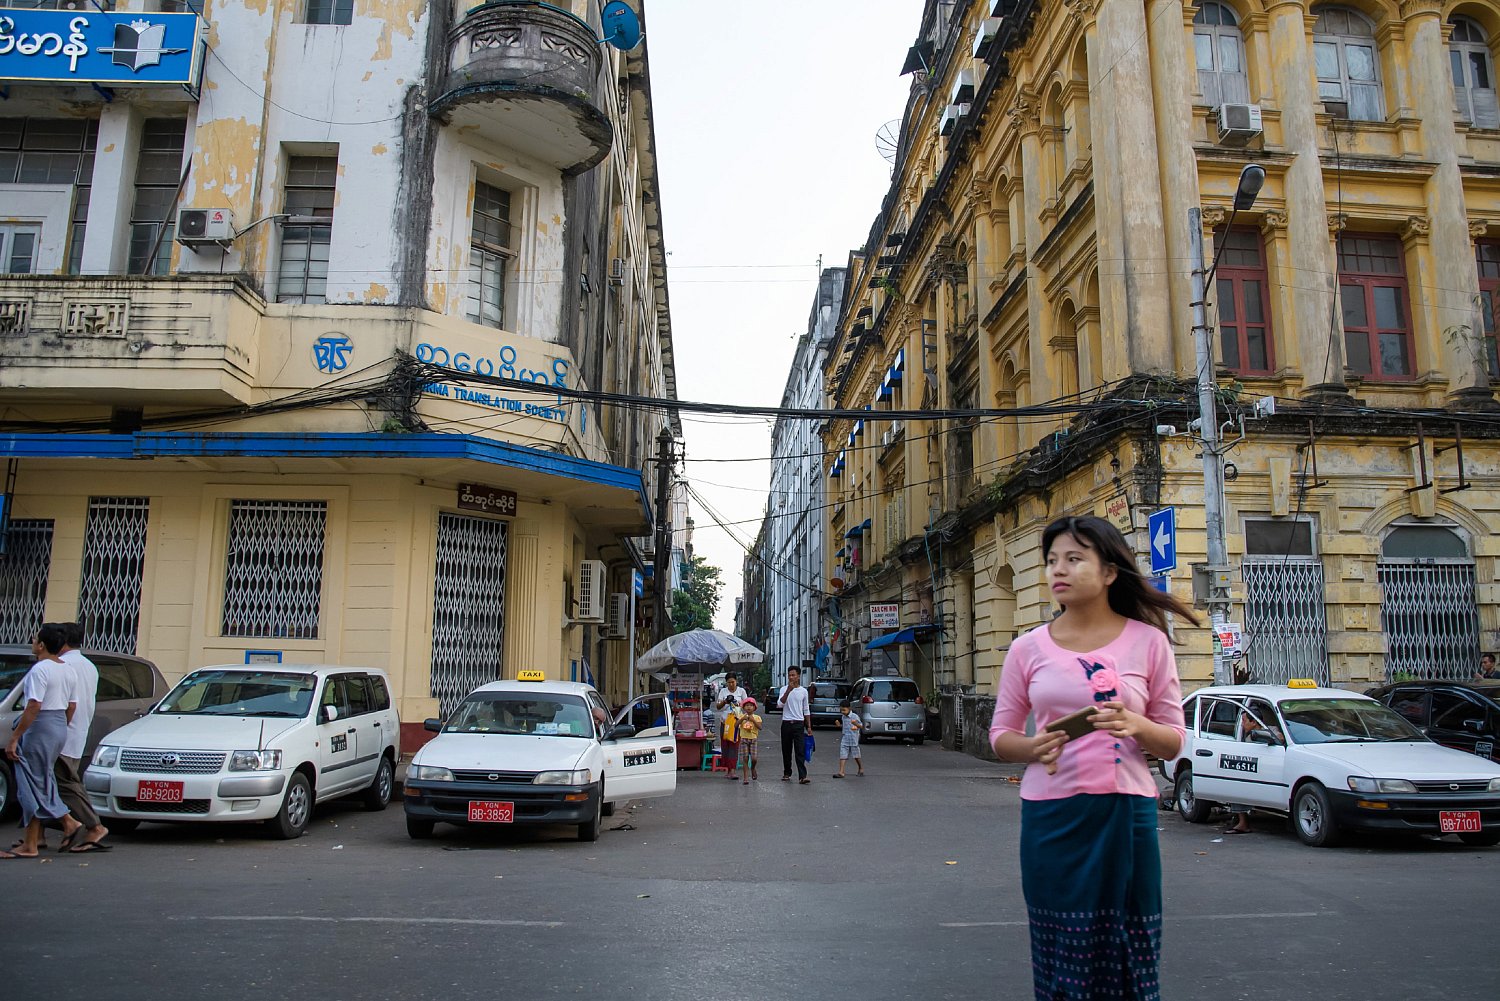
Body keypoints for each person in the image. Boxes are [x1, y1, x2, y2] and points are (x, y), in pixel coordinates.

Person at [989, 515, 1197, 1000]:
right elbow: (1001, 735)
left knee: (1131, 943)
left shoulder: (1150, 643)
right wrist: (1032, 746)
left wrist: (1135, 723)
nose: (1058, 570)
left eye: (1075, 559)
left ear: (1108, 572)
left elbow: (1173, 741)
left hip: (1126, 814)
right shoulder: (1026, 649)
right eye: (1051, 560)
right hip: (1051, 816)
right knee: (1062, 946)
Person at [1, 624, 86, 860]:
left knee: (31, 782)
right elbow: (72, 706)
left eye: (35, 638)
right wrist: (59, 727)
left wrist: (15, 737)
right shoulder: (67, 669)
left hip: (41, 726)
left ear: (41, 645)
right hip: (58, 725)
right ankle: (32, 840)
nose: (32, 641)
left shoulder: (40, 670)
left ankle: (67, 822)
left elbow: (34, 705)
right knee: (40, 779)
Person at [55, 621, 109, 853]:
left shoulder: (62, 665)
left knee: (64, 783)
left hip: (63, 733)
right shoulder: (88, 665)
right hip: (78, 732)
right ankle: (36, 834)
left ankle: (93, 824)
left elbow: (64, 704)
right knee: (59, 781)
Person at [778, 666, 812, 783]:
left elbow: (806, 709)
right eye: (789, 675)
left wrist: (809, 726)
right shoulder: (783, 689)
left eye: (793, 675)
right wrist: (788, 691)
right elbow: (779, 704)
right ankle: (787, 772)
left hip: (799, 723)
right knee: (786, 750)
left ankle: (802, 776)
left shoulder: (803, 691)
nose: (791, 677)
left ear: (798, 676)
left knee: (800, 750)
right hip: (786, 723)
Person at [715, 673, 748, 779]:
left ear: (736, 681)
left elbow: (747, 705)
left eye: (733, 682)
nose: (731, 684)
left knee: (734, 745)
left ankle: (733, 770)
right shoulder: (723, 691)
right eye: (729, 682)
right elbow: (718, 706)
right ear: (726, 683)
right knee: (725, 746)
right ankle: (728, 770)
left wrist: (738, 704)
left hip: (736, 723)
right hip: (725, 722)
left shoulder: (741, 691)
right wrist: (725, 701)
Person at [834, 700, 864, 778]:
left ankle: (860, 768)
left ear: (849, 708)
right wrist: (838, 725)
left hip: (853, 738)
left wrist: (856, 724)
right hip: (845, 737)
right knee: (843, 754)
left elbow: (861, 726)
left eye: (844, 710)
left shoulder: (854, 716)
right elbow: (844, 727)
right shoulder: (843, 717)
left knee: (856, 755)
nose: (843, 712)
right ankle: (841, 772)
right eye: (841, 710)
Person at [736, 698, 762, 783]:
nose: (749, 707)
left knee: (754, 759)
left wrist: (753, 720)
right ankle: (745, 777)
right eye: (747, 705)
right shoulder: (741, 716)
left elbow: (760, 727)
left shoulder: (757, 717)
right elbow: (735, 726)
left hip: (753, 739)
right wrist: (742, 719)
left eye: (751, 705)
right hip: (743, 739)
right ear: (744, 708)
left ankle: (753, 768)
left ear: (754, 708)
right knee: (745, 758)